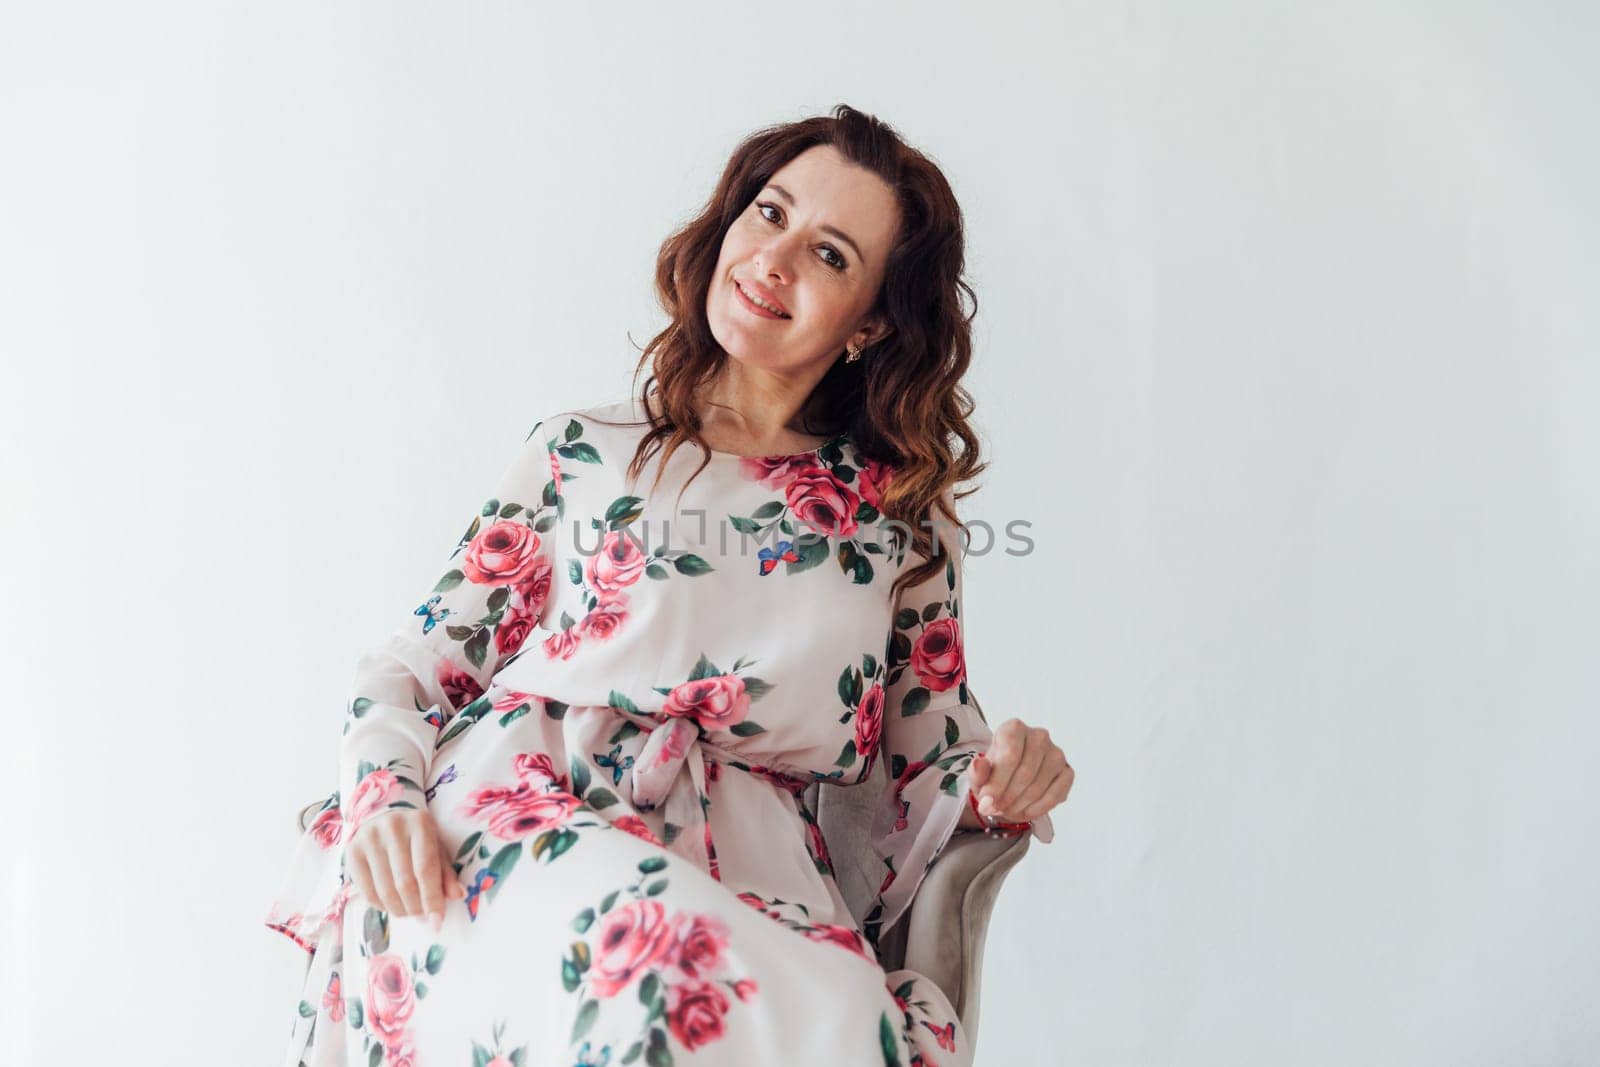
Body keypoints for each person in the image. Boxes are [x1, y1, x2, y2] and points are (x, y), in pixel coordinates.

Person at [264, 103, 1075, 1067]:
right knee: (664, 963)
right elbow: (419, 662)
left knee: (842, 1017)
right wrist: (387, 797)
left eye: (830, 255)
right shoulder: (583, 451)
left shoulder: (899, 516)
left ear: (874, 321)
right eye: (769, 215)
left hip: (745, 878)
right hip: (523, 825)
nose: (775, 260)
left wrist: (1003, 778)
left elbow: (931, 755)